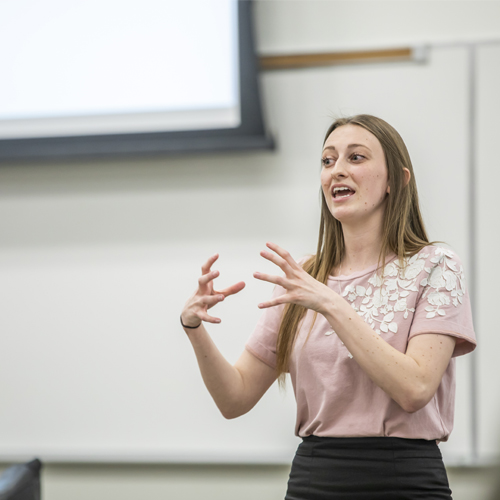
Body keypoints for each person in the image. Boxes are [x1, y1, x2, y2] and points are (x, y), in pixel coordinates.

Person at [180, 114, 476, 499]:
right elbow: (234, 399)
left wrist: (331, 304)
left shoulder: (436, 265)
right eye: (327, 160)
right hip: (313, 480)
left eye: (356, 158)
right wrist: (193, 328)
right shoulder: (303, 277)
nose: (337, 170)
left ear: (396, 181)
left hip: (403, 479)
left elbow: (415, 388)